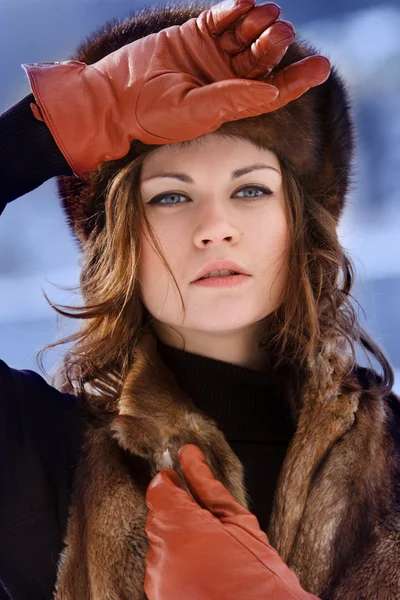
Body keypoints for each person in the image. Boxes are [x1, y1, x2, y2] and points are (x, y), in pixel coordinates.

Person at [1, 0, 399, 598]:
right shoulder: (39, 455)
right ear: (117, 239)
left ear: (302, 227)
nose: (215, 226)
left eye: (250, 189)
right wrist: (65, 121)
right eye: (169, 196)